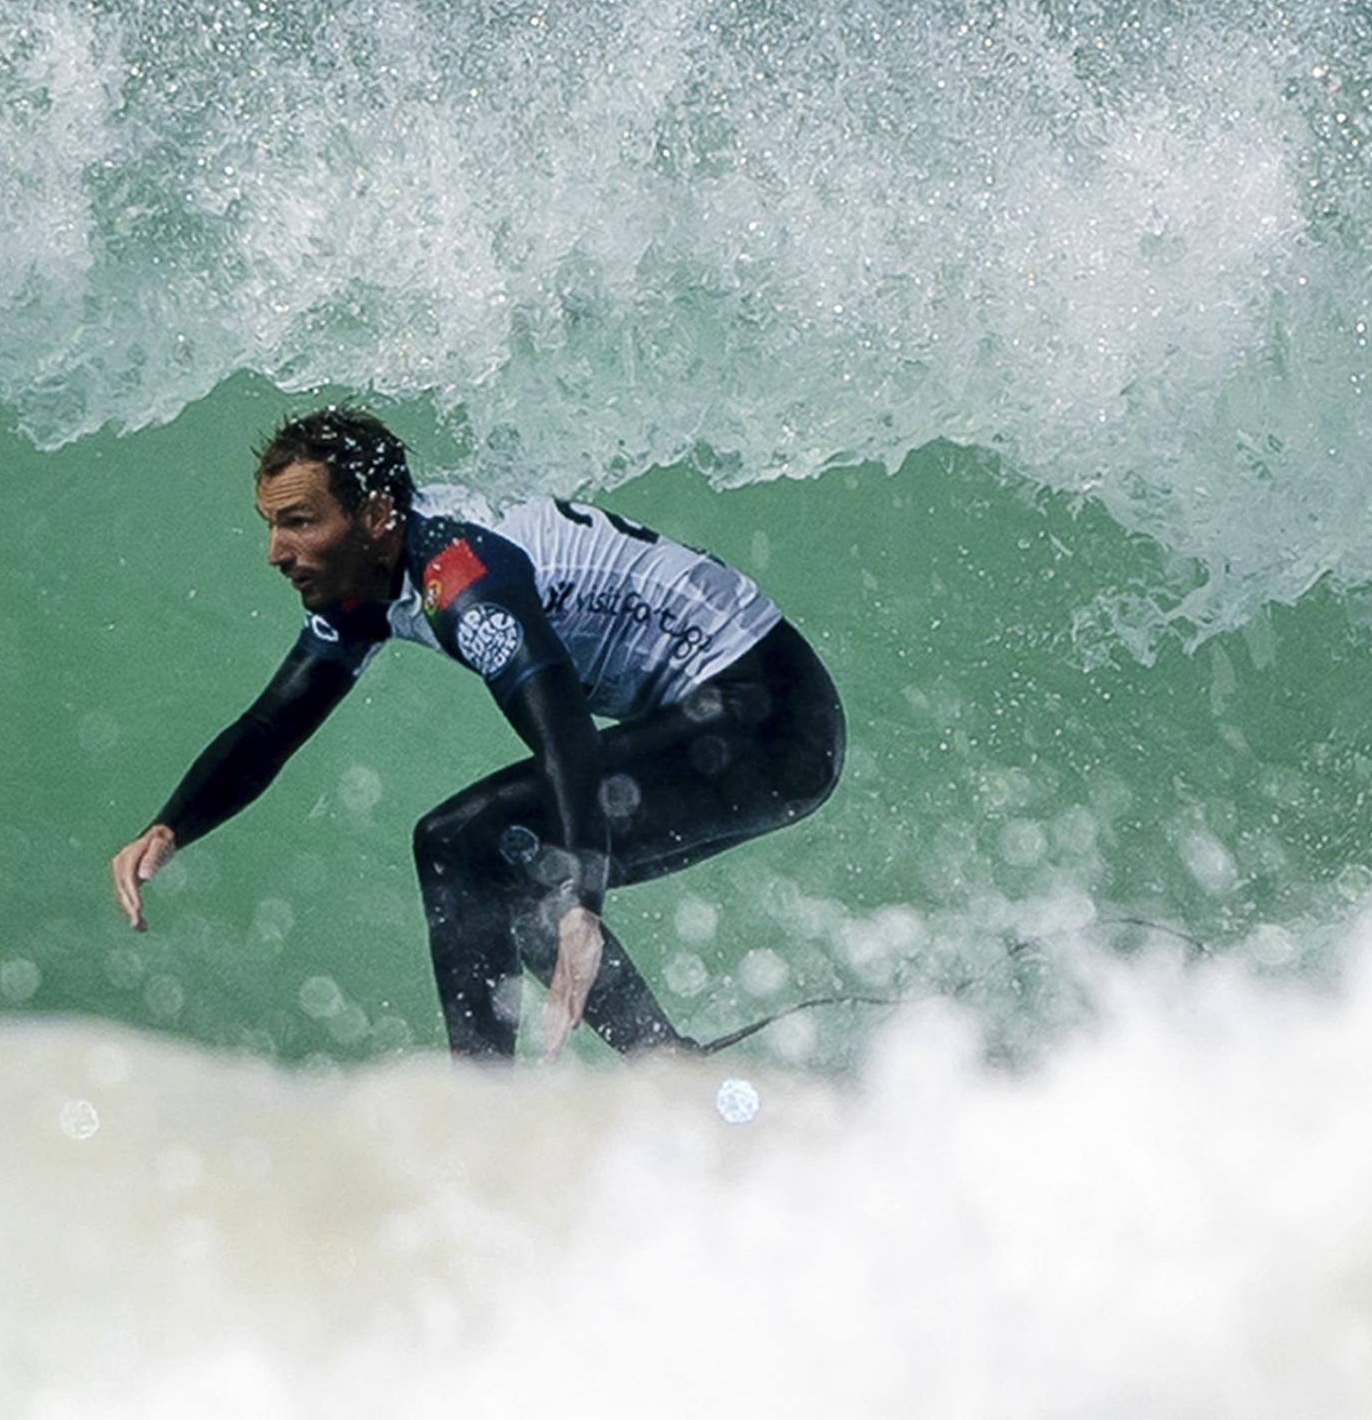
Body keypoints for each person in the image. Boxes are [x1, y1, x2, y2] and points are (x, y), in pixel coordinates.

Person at [107, 407, 842, 1061]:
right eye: (272, 524)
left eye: (299, 522)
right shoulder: (370, 579)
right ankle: (661, 1067)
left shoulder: (459, 578)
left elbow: (566, 737)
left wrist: (584, 904)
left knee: (463, 842)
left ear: (376, 516)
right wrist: (171, 826)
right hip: (736, 715)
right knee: (504, 869)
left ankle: (487, 1100)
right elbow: (271, 725)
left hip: (772, 719)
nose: (276, 551)